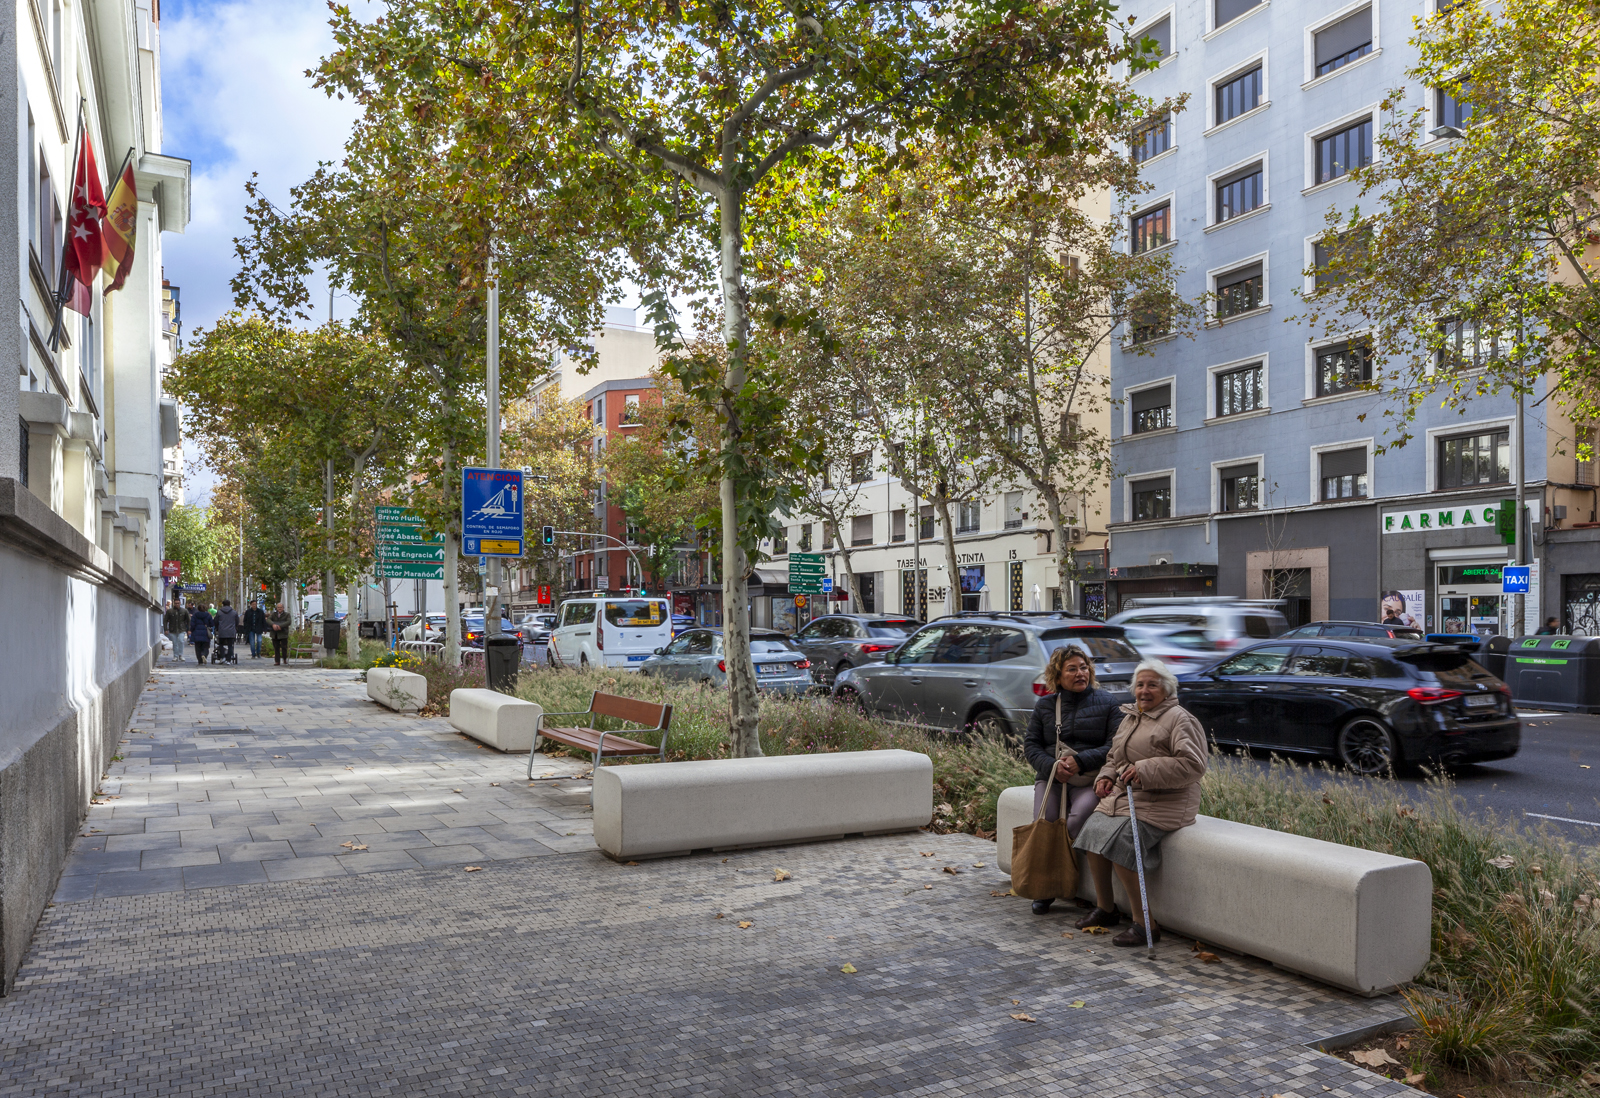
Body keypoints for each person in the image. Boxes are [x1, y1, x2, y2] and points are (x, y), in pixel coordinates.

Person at [1073, 660, 1207, 947]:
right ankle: (1106, 909)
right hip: (1129, 794)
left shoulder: (1180, 719)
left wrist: (1144, 769)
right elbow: (1115, 756)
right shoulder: (1132, 716)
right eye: (1140, 685)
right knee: (1093, 831)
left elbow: (1194, 765)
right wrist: (1107, 776)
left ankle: (1145, 923)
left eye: (1152, 685)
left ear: (1167, 690)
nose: (1144, 691)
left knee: (1122, 843)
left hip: (1168, 800)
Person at [1022, 645, 1123, 916]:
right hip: (1053, 778)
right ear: (1057, 675)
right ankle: (1046, 889)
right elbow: (1030, 745)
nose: (1081, 673)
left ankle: (1073, 884)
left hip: (1090, 778)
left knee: (1077, 822)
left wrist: (1083, 760)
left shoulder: (1108, 703)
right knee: (1046, 822)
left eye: (1084, 667)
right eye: (1072, 669)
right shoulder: (1045, 705)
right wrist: (1053, 766)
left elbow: (1116, 745)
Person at [214, 599, 241, 665]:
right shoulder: (234, 612)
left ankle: (222, 657)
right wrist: (235, 627)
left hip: (222, 631)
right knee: (230, 645)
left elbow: (216, 621)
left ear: (223, 604)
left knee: (221, 645)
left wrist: (217, 628)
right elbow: (237, 621)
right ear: (229, 604)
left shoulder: (219, 612)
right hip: (231, 631)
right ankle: (229, 659)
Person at [189, 603, 214, 667]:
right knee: (206, 647)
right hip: (205, 633)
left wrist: (191, 630)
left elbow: (192, 625)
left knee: (198, 648)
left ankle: (200, 661)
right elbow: (212, 624)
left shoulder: (195, 615)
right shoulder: (208, 615)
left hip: (197, 633)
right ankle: (204, 654)